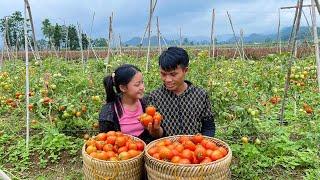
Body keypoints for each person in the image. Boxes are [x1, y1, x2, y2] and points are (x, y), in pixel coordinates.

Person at [145, 47, 215, 137]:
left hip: (194, 148)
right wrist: (156, 130)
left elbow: (208, 127)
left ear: (185, 70)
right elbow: (158, 134)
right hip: (167, 149)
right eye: (163, 74)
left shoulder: (200, 95)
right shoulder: (155, 97)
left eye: (173, 74)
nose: (168, 79)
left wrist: (204, 144)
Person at [98, 64, 162, 143]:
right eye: (137, 84)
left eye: (142, 82)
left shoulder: (148, 105)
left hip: (148, 152)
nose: (142, 87)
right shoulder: (108, 112)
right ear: (123, 88)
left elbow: (159, 136)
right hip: (122, 154)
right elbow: (104, 142)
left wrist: (156, 130)